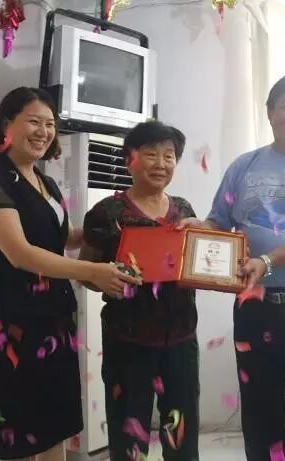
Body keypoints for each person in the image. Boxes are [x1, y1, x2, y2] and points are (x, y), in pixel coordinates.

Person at [179, 73, 285, 460]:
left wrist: (268, 261)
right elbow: (219, 222)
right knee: (260, 415)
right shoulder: (244, 166)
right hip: (255, 308)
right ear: (270, 113)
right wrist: (199, 230)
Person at [0, 87, 139, 461]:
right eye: (34, 121)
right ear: (7, 124)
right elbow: (21, 254)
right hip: (17, 323)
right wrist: (92, 270)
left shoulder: (44, 182)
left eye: (50, 124)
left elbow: (63, 237)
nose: (44, 131)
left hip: (56, 319)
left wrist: (117, 229)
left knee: (56, 422)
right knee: (23, 426)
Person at [79, 121, 200, 461]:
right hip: (127, 339)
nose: (161, 164)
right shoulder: (107, 213)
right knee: (128, 434)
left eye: (169, 156)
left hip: (181, 337)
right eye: (151, 154)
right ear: (129, 160)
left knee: (182, 433)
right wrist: (108, 282)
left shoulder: (184, 211)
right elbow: (86, 271)